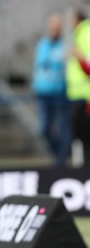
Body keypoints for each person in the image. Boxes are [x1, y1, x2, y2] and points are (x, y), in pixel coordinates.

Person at [31, 13, 71, 167]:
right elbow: (39, 66)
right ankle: (58, 157)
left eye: (57, 26)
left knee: (62, 129)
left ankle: (60, 162)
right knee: (44, 128)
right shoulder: (43, 44)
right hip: (44, 92)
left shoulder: (66, 44)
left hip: (61, 92)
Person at [66, 10, 90, 167]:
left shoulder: (85, 34)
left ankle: (82, 168)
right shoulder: (80, 34)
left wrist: (78, 56)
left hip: (84, 96)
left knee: (83, 135)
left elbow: (88, 66)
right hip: (78, 95)